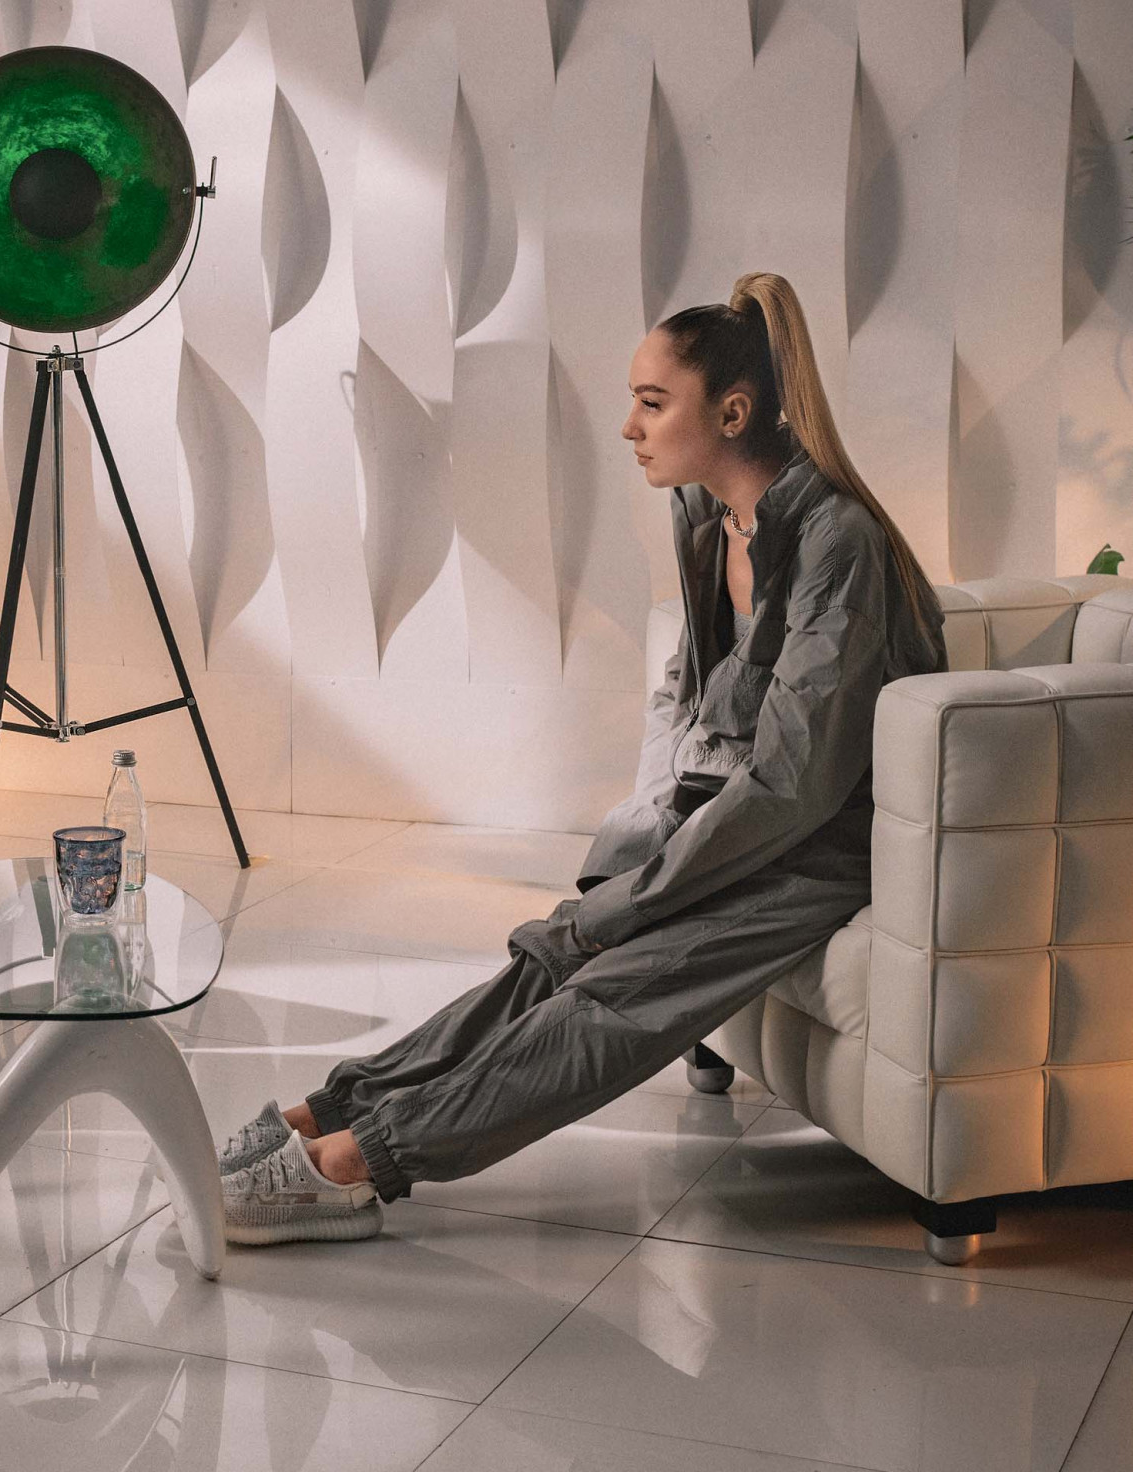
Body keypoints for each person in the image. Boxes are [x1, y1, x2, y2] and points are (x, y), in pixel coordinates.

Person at [217, 273, 947, 1245]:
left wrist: (648, 895)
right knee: (553, 948)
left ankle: (357, 1166)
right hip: (745, 826)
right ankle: (332, 1110)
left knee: (609, 994)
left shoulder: (835, 541)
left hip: (822, 846)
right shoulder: (708, 519)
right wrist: (639, 857)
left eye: (652, 402)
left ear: (731, 413)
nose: (629, 428)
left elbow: (795, 781)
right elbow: (695, 709)